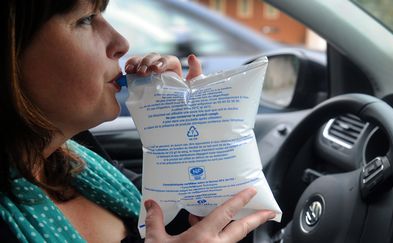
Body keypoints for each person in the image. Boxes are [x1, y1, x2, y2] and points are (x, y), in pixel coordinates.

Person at [0, 0, 276, 242]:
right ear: (12, 52)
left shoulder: (76, 158)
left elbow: (183, 221)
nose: (121, 43)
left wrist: (183, 122)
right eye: (85, 20)